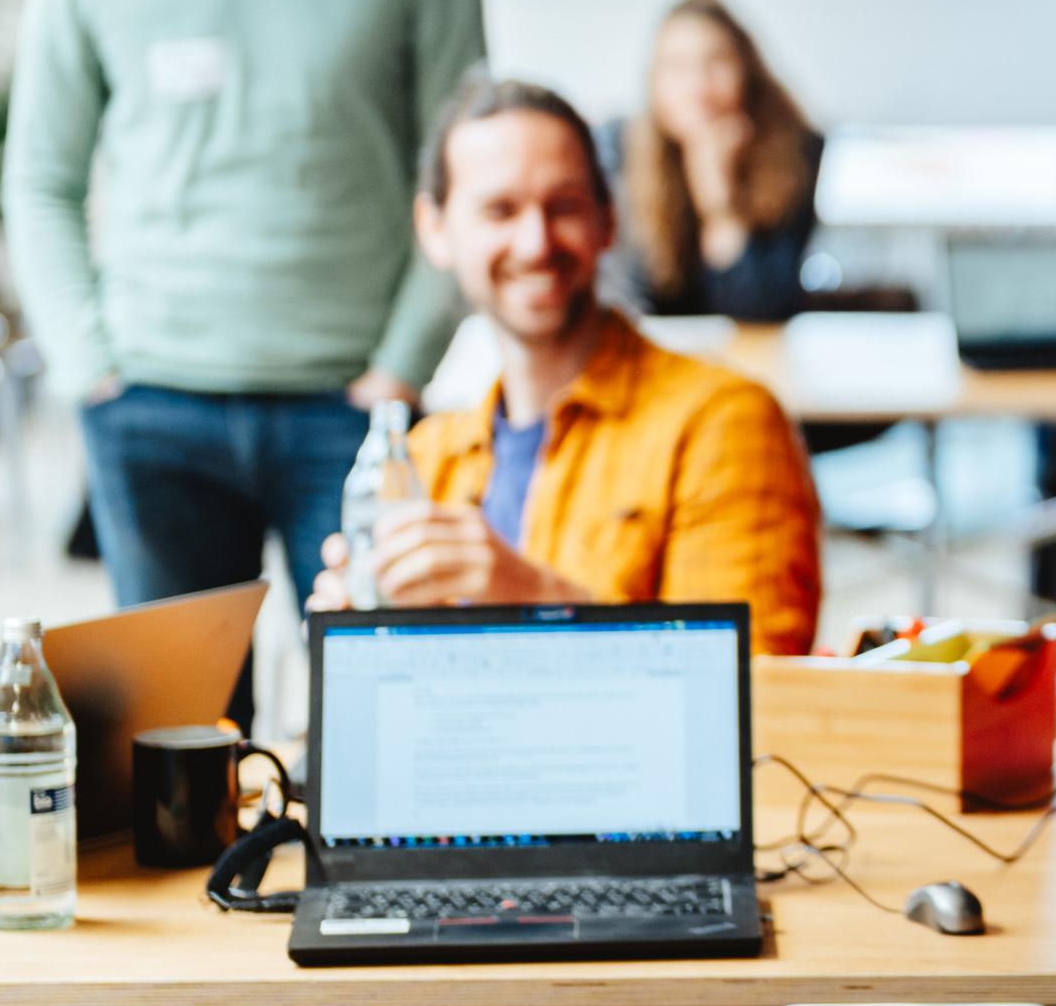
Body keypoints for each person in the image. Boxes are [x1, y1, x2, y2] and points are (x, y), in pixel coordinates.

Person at [2, 0, 488, 615]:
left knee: (373, 713)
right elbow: (40, 176)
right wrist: (89, 364)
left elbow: (466, 179)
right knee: (182, 741)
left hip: (353, 404)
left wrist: (403, 365)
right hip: (149, 401)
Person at [314, 75, 820, 652]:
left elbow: (752, 694)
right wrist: (358, 647)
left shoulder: (723, 425)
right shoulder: (429, 461)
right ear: (435, 229)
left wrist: (529, 594)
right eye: (500, 210)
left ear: (609, 220)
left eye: (564, 206)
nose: (535, 242)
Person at [607, 0, 822, 323]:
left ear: (747, 72)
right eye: (676, 67)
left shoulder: (794, 152)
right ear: (653, 82)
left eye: (717, 62)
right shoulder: (622, 149)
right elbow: (633, 301)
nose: (698, 88)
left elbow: (761, 312)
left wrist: (720, 205)